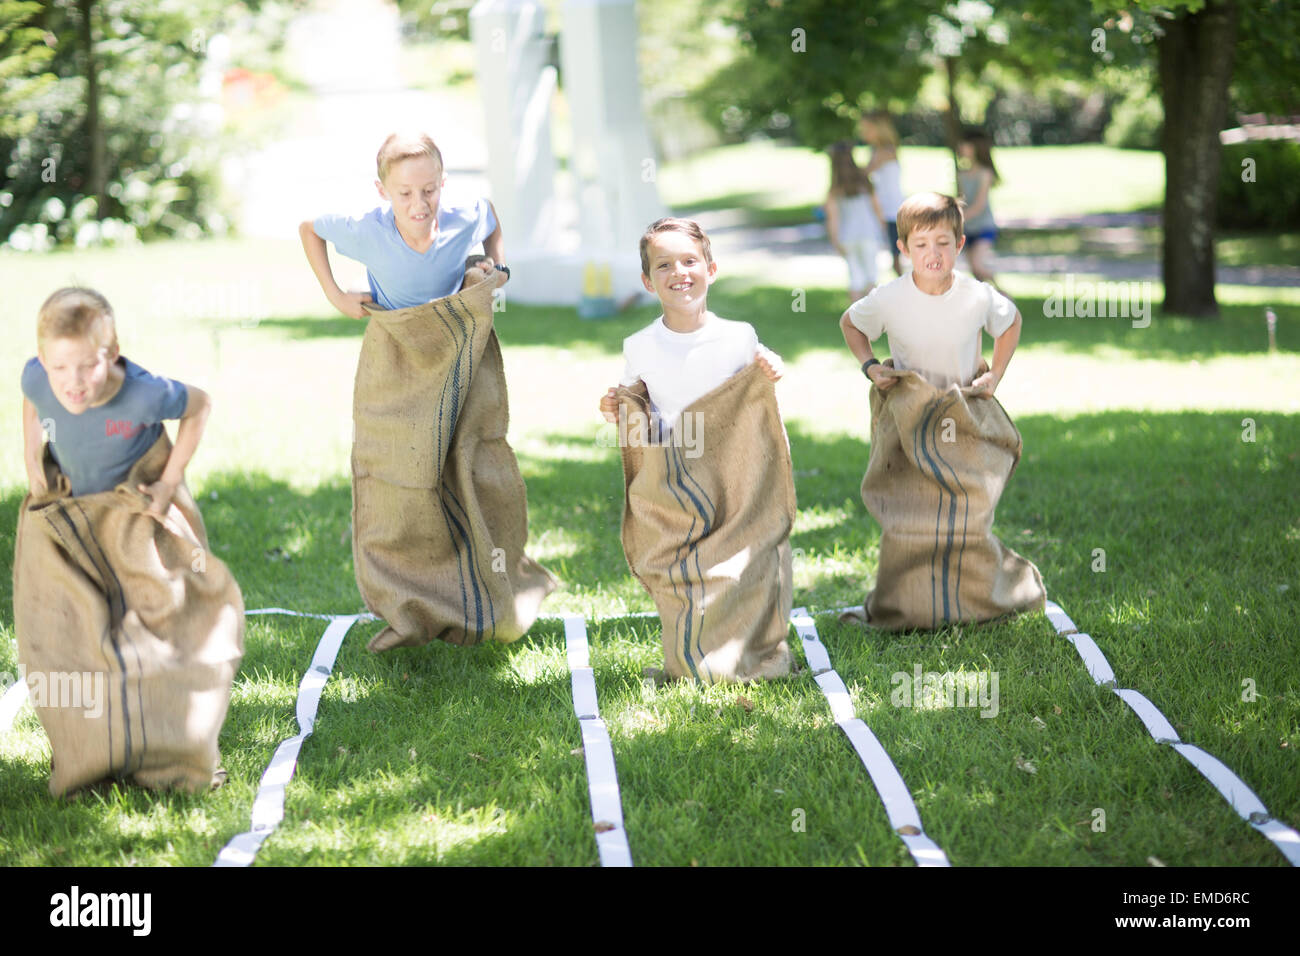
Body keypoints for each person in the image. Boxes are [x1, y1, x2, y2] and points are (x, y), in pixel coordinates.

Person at [22, 287, 211, 509]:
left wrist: (169, 483)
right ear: (43, 360)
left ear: (112, 354)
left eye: (89, 365)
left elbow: (200, 405)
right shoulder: (37, 378)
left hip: (136, 499)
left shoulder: (143, 396)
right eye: (60, 367)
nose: (74, 380)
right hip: (75, 497)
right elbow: (32, 397)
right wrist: (31, 453)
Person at [598, 217, 781, 434]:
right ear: (648, 282)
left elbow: (767, 368)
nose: (678, 271)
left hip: (732, 458)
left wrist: (774, 366)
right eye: (664, 265)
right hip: (673, 462)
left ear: (711, 271)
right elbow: (630, 404)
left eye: (689, 261)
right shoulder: (639, 346)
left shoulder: (739, 336)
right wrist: (613, 409)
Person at [299, 131, 507, 318]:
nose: (419, 204)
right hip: (397, 339)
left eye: (429, 190)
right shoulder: (369, 232)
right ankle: (366, 282)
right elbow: (309, 229)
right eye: (405, 193)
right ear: (383, 191)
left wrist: (499, 267)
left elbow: (488, 212)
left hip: (451, 334)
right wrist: (336, 297)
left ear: (441, 182)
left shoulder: (462, 221)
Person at [838, 191, 1021, 396]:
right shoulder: (889, 297)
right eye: (921, 244)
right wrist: (869, 364)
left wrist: (995, 374)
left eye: (942, 243)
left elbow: (1011, 321)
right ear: (904, 249)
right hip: (909, 413)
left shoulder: (977, 295)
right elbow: (850, 323)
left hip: (964, 411)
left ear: (959, 244)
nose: (933, 253)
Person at [824, 140, 886, 305]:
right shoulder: (864, 182)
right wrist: (883, 229)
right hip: (869, 233)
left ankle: (855, 316)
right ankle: (873, 313)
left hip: (847, 236)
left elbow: (833, 217)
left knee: (855, 277)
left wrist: (835, 239)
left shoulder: (835, 188)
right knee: (871, 275)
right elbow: (877, 208)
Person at [859, 111, 905, 277]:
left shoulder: (884, 152)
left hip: (892, 211)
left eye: (866, 128)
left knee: (897, 260)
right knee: (895, 260)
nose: (863, 132)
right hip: (886, 210)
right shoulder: (878, 151)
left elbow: (863, 174)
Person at [957, 129, 1001, 289]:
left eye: (965, 145)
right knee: (975, 272)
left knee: (978, 265)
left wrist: (958, 218)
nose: (961, 148)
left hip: (984, 226)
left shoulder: (985, 173)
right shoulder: (962, 174)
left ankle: (1002, 292)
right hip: (968, 228)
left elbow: (979, 204)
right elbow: (962, 201)